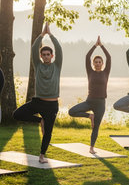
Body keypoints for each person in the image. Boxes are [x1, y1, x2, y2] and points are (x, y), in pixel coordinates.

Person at [13, 22, 62, 163]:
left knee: (48, 132)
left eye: (48, 54)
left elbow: (59, 49)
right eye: (44, 54)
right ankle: (40, 120)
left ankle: (42, 156)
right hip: (38, 102)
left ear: (52, 56)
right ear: (41, 56)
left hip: (52, 105)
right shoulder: (38, 65)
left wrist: (51, 35)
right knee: (17, 114)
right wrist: (42, 35)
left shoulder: (57, 66)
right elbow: (34, 48)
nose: (46, 56)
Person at [68, 36, 111, 154]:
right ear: (93, 64)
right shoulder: (90, 71)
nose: (97, 63)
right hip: (89, 101)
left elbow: (109, 57)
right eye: (95, 62)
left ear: (102, 64)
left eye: (99, 62)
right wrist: (94, 46)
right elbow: (87, 57)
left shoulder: (105, 72)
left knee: (95, 127)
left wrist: (101, 46)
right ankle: (89, 116)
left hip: (101, 103)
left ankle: (91, 147)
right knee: (71, 111)